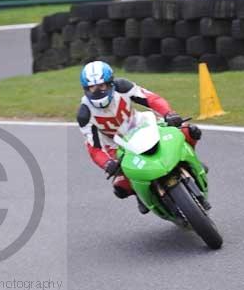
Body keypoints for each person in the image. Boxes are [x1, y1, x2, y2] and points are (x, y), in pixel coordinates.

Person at [77, 61, 202, 212]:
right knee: (120, 187)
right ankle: (140, 194)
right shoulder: (84, 114)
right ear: (85, 89)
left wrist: (168, 113)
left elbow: (151, 99)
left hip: (142, 125)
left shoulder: (123, 87)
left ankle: (192, 161)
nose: (97, 92)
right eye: (92, 88)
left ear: (111, 83)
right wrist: (107, 163)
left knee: (190, 131)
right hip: (116, 145)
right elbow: (94, 148)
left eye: (101, 86)